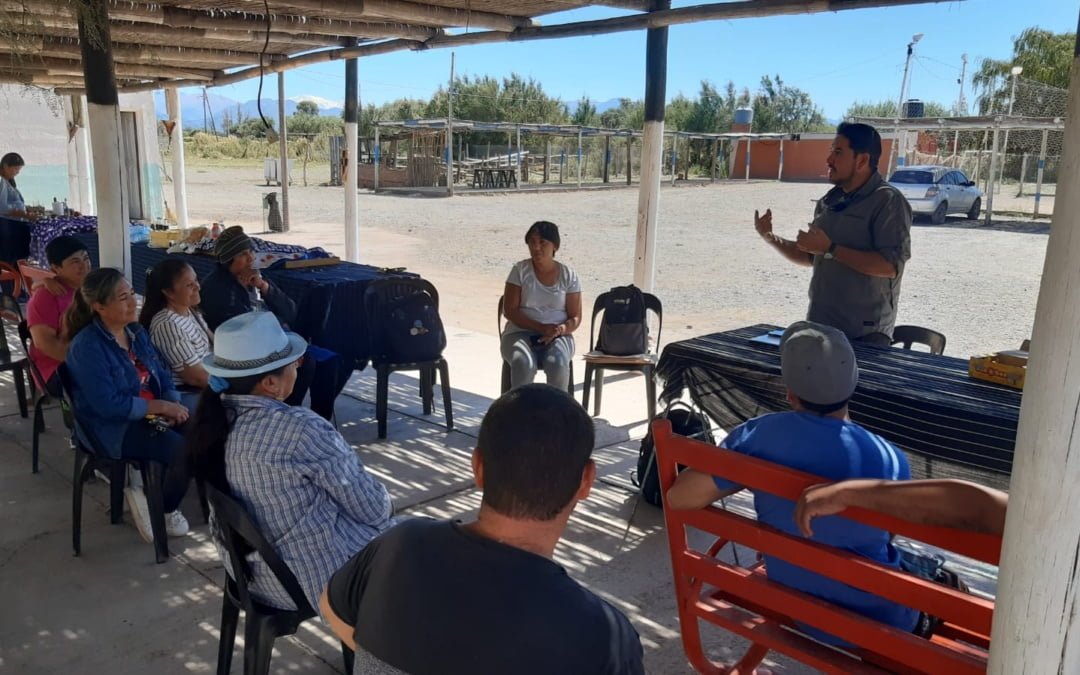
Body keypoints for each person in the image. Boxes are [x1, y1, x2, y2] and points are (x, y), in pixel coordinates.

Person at [321, 384, 644, 674]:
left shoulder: (400, 543)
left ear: (478, 467)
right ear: (586, 480)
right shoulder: (602, 635)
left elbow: (331, 607)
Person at [666, 320, 917, 640]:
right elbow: (884, 537)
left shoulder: (758, 435)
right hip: (881, 626)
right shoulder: (892, 460)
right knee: (940, 582)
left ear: (790, 391)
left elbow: (680, 497)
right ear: (854, 381)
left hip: (793, 603)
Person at [189, 311, 392, 611]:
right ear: (271, 383)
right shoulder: (299, 429)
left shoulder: (213, 422)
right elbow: (374, 510)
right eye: (294, 362)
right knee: (425, 547)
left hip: (252, 578)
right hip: (312, 583)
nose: (300, 365)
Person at [753, 123, 911, 346]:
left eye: (838, 152)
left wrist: (831, 248)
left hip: (864, 335)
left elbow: (889, 266)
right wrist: (769, 236)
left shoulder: (887, 201)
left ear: (862, 160)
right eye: (831, 152)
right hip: (820, 328)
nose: (829, 160)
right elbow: (811, 257)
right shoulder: (831, 201)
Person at [65, 268, 191, 542]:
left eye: (131, 293)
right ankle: (163, 507)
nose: (133, 301)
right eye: (123, 297)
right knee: (183, 453)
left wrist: (170, 403)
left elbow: (162, 372)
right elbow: (108, 406)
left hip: (148, 413)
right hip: (113, 426)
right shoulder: (87, 347)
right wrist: (158, 407)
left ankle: (157, 494)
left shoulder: (135, 332)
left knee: (205, 433)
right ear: (99, 306)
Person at [199, 225, 345, 421]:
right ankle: (286, 415)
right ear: (228, 259)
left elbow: (291, 312)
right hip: (249, 353)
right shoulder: (219, 289)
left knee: (329, 360)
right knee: (305, 362)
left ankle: (321, 421)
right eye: (243, 254)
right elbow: (243, 332)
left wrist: (264, 286)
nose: (250, 258)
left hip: (272, 340)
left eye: (250, 251)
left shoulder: (253, 277)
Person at [500, 221, 582, 391]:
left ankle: (558, 414)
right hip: (519, 333)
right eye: (532, 242)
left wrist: (559, 330)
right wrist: (540, 327)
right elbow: (510, 311)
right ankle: (520, 413)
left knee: (557, 363)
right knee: (523, 363)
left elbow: (575, 317)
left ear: (555, 246)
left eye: (543, 242)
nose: (536, 247)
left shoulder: (569, 275)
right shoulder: (520, 270)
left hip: (559, 335)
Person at [795, 478, 1008, 537]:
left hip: (791, 598)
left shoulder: (761, 432)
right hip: (891, 620)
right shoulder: (893, 458)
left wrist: (847, 492)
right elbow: (985, 510)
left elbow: (982, 508)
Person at [139, 258, 212, 411]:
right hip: (187, 394)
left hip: (210, 381)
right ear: (169, 292)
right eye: (189, 285)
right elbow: (196, 377)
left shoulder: (189, 310)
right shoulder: (167, 324)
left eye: (196, 280)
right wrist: (234, 386)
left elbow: (214, 342)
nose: (197, 287)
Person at [26, 235, 91, 393]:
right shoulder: (45, 297)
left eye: (86, 258)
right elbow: (45, 344)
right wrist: (88, 365)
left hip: (90, 356)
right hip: (57, 368)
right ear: (56, 268)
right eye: (75, 262)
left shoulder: (91, 289)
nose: (84, 266)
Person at [0, 152, 29, 219]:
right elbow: (1, 207)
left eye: (19, 170)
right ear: (5, 166)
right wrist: (24, 214)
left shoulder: (7, 183)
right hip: (7, 225)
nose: (18, 172)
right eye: (16, 169)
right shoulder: (1, 181)